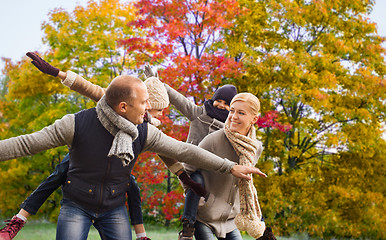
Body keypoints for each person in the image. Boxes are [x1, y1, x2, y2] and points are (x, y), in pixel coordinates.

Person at [0, 62, 264, 240]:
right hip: (77, 203)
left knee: (132, 187)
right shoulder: (76, 123)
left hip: (113, 206)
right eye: (145, 103)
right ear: (124, 107)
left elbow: (184, 150)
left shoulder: (145, 131)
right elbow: (25, 143)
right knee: (60, 171)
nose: (149, 109)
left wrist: (229, 167)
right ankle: (20, 218)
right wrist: (60, 74)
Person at [183, 93, 273, 239]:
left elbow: (246, 185)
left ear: (254, 119)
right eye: (232, 111)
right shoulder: (212, 140)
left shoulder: (255, 148)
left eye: (241, 113)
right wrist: (196, 196)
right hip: (205, 216)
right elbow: (187, 169)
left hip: (230, 220)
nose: (233, 116)